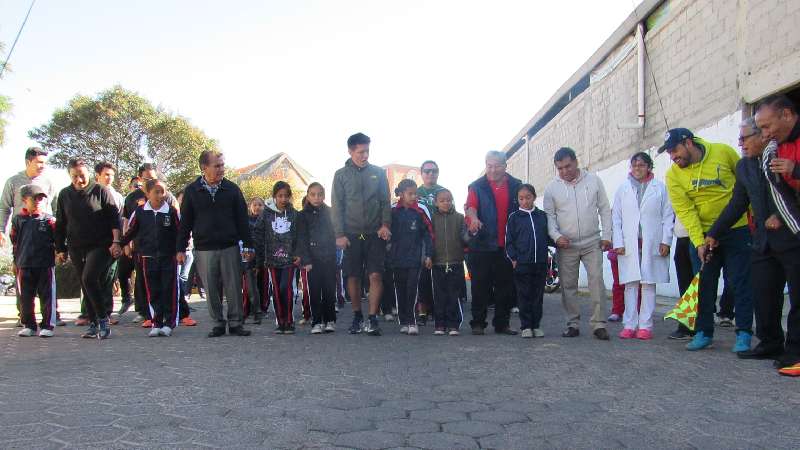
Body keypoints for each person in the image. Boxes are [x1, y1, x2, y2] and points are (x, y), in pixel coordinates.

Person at [706, 115, 800, 373]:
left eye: (744, 137)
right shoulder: (745, 167)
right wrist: (714, 232)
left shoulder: (781, 155)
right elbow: (737, 203)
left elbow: (793, 193)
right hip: (762, 240)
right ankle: (770, 342)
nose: (740, 143)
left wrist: (779, 215)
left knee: (796, 296)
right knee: (764, 293)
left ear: (762, 136)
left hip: (791, 236)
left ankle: (794, 351)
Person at [661, 127, 754, 352]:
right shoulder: (673, 175)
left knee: (740, 282)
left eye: (675, 150)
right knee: (703, 285)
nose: (673, 157)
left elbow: (747, 186)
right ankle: (703, 332)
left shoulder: (724, 152)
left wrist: (753, 218)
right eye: (669, 153)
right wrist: (699, 242)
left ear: (689, 142)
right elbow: (686, 210)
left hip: (737, 229)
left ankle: (743, 333)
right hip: (702, 234)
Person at [177, 150, 253, 338]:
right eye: (217, 165)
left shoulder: (232, 189)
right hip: (204, 248)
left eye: (222, 165)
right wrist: (180, 248)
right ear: (204, 168)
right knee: (211, 288)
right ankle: (217, 323)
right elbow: (185, 222)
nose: (221, 169)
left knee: (234, 286)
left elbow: (243, 219)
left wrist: (249, 245)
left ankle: (236, 323)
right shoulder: (192, 191)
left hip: (230, 246)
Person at [543, 147, 612, 340]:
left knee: (596, 281)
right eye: (560, 168)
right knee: (568, 285)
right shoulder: (551, 188)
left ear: (576, 162)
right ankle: (572, 323)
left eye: (568, 166)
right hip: (566, 245)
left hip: (592, 242)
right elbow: (549, 217)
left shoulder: (594, 180)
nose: (565, 171)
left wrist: (608, 235)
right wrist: (556, 237)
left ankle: (599, 324)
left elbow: (605, 209)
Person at [331, 132, 392, 336]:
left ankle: (373, 319)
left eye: (367, 151)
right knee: (354, 276)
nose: (365, 155)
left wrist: (385, 224)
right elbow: (337, 206)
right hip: (351, 235)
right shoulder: (340, 175)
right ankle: (357, 316)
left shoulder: (378, 173)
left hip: (375, 234)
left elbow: (385, 201)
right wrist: (339, 234)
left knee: (376, 275)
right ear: (350, 151)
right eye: (360, 152)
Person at [55, 159, 122, 339]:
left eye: (82, 176)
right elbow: (61, 223)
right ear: (70, 176)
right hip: (76, 246)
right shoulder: (64, 195)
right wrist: (60, 248)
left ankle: (102, 319)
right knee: (85, 284)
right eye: (75, 176)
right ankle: (92, 322)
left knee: (89, 277)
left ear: (89, 174)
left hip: (100, 244)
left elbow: (114, 218)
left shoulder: (100, 191)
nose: (79, 180)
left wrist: (116, 241)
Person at [611, 152, 674, 340]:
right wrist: (618, 242)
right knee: (630, 284)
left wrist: (666, 240)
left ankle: (645, 325)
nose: (637, 168)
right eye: (634, 165)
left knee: (648, 284)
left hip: (652, 242)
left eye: (641, 165)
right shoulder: (623, 189)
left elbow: (668, 216)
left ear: (649, 167)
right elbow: (616, 218)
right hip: (629, 244)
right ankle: (629, 324)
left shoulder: (660, 188)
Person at [0, 147, 62, 327]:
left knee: (47, 280)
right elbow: (4, 208)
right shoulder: (13, 181)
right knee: (23, 278)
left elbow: (57, 207)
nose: (43, 166)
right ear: (28, 162)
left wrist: (59, 242)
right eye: (39, 162)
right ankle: (25, 318)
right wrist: (1, 230)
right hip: (23, 232)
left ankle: (52, 316)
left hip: (44, 233)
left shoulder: (49, 182)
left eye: (45, 162)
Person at [465, 151, 522, 335]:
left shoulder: (516, 185)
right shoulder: (477, 186)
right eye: (489, 165)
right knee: (480, 285)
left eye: (497, 166)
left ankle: (502, 324)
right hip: (482, 244)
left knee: (505, 286)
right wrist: (473, 219)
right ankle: (478, 323)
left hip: (506, 244)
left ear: (505, 166)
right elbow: (471, 208)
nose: (493, 170)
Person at [121, 179, 181, 337]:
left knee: (170, 289)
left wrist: (180, 250)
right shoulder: (140, 212)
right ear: (147, 193)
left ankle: (169, 323)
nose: (161, 195)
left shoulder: (171, 211)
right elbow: (130, 231)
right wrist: (119, 244)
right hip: (147, 257)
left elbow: (180, 233)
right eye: (156, 191)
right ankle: (156, 322)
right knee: (153, 291)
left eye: (163, 191)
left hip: (169, 257)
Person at [74, 162, 126, 326]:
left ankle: (106, 312)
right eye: (106, 174)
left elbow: (118, 220)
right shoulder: (86, 192)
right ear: (97, 175)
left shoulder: (117, 196)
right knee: (88, 278)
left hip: (109, 244)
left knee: (106, 278)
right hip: (85, 244)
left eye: (111, 175)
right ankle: (88, 313)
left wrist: (118, 242)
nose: (109, 178)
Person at [254, 181, 308, 335]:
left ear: (290, 197)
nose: (283, 199)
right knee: (276, 290)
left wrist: (298, 254)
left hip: (289, 259)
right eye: (280, 196)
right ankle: (281, 322)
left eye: (286, 196)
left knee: (286, 287)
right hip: (271, 259)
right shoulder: (266, 214)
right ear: (274, 197)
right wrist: (260, 254)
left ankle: (289, 321)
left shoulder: (294, 214)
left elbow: (300, 236)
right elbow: (258, 233)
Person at [505, 184, 552, 338]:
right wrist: (513, 258)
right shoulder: (514, 218)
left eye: (528, 197)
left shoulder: (542, 216)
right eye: (521, 198)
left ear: (534, 197)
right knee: (524, 295)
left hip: (540, 263)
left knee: (537, 296)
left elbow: (549, 236)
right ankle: (526, 326)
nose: (524, 201)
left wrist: (561, 241)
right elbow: (509, 241)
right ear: (517, 200)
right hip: (522, 264)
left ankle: (536, 325)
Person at [389, 179, 433, 336]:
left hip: (415, 258)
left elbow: (429, 234)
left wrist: (428, 254)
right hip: (396, 258)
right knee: (400, 290)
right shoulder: (392, 210)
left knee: (412, 289)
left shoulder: (421, 210)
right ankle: (404, 321)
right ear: (401, 194)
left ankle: (412, 321)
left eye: (416, 193)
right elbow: (385, 231)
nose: (414, 196)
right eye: (410, 194)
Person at [12, 185, 57, 338]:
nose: (38, 201)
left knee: (47, 296)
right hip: (24, 264)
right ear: (25, 199)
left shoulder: (49, 220)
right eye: (34, 198)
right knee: (25, 297)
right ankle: (29, 325)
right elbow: (15, 242)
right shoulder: (18, 219)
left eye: (40, 198)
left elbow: (58, 240)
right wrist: (15, 261)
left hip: (45, 263)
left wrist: (61, 253)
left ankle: (48, 326)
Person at [299, 182, 338, 334]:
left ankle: (330, 320)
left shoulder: (330, 212)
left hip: (328, 256)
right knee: (314, 291)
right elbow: (301, 238)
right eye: (313, 194)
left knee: (329, 290)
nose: (316, 197)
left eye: (320, 194)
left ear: (324, 195)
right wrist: (306, 260)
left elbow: (334, 234)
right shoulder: (301, 215)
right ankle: (316, 321)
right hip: (312, 260)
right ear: (308, 196)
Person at [430, 189, 469, 336]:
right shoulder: (432, 218)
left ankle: (454, 324)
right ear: (436, 203)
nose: (446, 203)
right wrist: (427, 256)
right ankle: (440, 324)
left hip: (455, 262)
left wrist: (472, 233)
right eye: (442, 200)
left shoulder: (459, 218)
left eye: (448, 200)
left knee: (454, 294)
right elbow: (428, 239)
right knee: (439, 295)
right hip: (437, 262)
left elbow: (465, 238)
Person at [414, 160, 442, 325]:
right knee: (422, 276)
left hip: (440, 237)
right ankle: (422, 309)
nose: (430, 174)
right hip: (422, 239)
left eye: (434, 171)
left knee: (439, 276)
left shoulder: (444, 192)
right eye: (427, 171)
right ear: (421, 173)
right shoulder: (415, 192)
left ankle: (438, 308)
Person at [115, 176, 143, 317]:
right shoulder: (129, 199)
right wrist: (125, 243)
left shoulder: (151, 197)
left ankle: (140, 309)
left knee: (140, 278)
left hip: (141, 244)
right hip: (129, 241)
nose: (138, 187)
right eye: (135, 185)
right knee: (122, 272)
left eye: (140, 184)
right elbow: (125, 221)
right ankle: (126, 298)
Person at [243, 197, 265, 324]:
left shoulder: (266, 220)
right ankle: (248, 310)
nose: (257, 207)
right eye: (255, 205)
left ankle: (259, 310)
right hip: (247, 255)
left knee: (257, 286)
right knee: (248, 286)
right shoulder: (245, 221)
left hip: (261, 257)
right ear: (250, 206)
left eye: (260, 205)